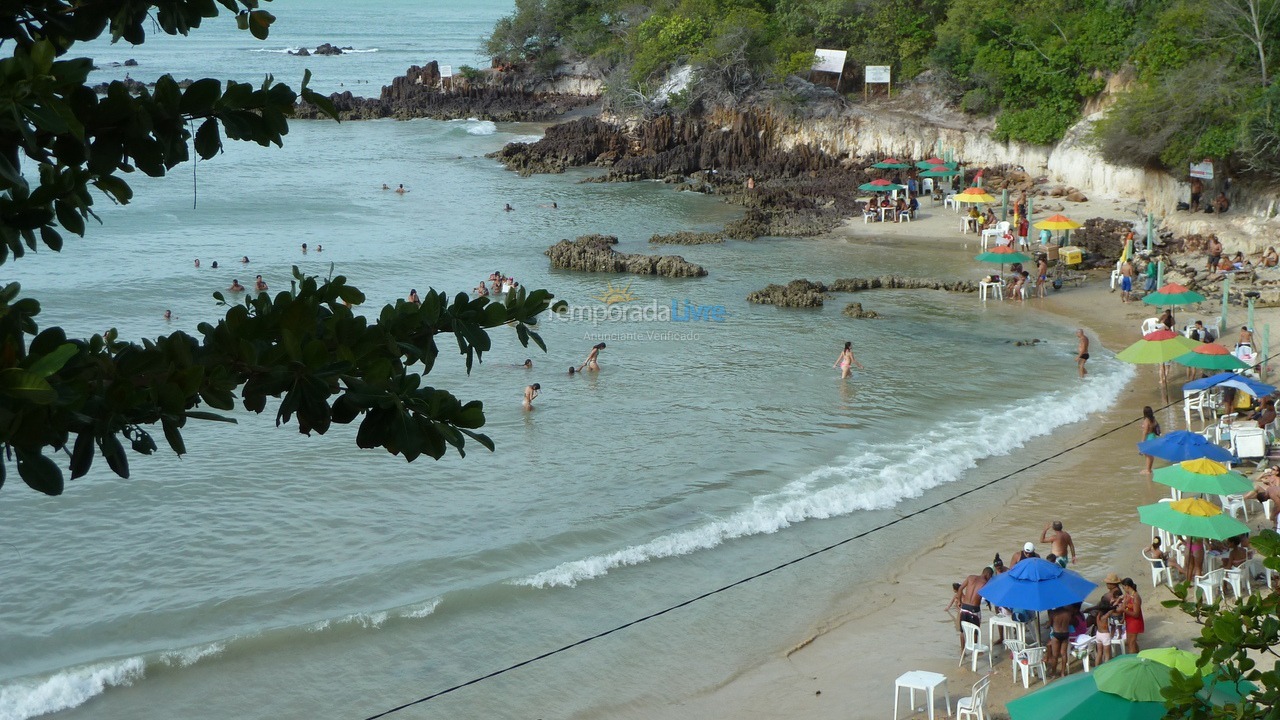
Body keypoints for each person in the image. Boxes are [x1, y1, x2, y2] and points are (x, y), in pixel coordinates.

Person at [956, 567, 993, 653]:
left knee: (962, 631)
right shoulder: (985, 583)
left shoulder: (970, 577)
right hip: (974, 609)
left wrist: (959, 601)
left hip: (964, 607)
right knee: (975, 631)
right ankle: (974, 651)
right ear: (988, 575)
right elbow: (988, 596)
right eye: (990, 577)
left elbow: (960, 589)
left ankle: (962, 651)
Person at [1046, 605, 1074, 677]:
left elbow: (1050, 624)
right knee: (1064, 654)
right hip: (1065, 633)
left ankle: (1054, 673)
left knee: (1055, 655)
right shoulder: (1068, 613)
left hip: (1056, 634)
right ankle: (1062, 673)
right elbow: (1070, 623)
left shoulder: (1053, 613)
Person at [1120, 578, 1144, 653]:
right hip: (1129, 621)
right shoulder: (1128, 595)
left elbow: (1136, 614)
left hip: (1135, 622)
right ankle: (1137, 656)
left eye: (1123, 587)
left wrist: (1123, 610)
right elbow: (1126, 607)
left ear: (1127, 586)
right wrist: (1123, 617)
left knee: (1131, 643)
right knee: (1130, 642)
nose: (1123, 589)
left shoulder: (1136, 597)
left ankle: (1132, 660)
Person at [1092, 597, 1115, 666]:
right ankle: (1106, 669)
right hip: (1105, 635)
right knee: (1107, 654)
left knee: (1099, 653)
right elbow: (1112, 610)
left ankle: (1096, 667)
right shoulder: (1105, 617)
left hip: (1098, 634)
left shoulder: (1098, 616)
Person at [1140, 406, 1161, 473]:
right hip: (1153, 436)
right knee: (1151, 455)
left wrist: (1143, 441)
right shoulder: (1153, 419)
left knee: (1148, 455)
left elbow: (1145, 431)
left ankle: (1148, 470)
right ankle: (1149, 469)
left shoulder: (1146, 420)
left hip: (1148, 438)